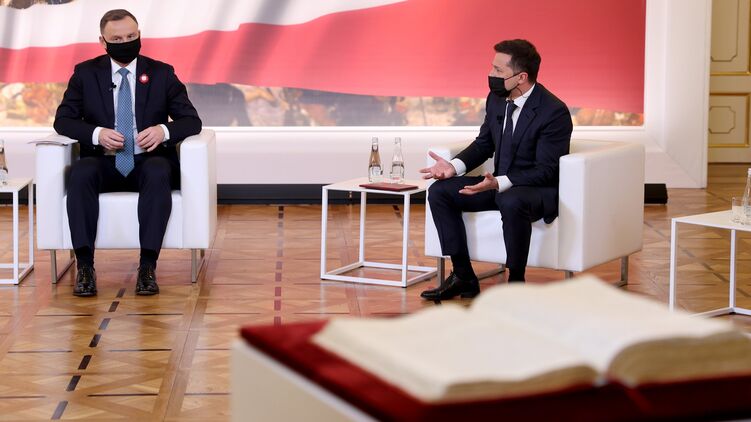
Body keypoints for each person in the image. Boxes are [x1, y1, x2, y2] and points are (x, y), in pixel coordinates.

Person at [54, 9, 202, 297]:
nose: (126, 43)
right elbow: (63, 120)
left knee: (158, 170)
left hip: (148, 161)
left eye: (131, 36)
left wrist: (163, 130)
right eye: (117, 39)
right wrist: (97, 133)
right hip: (104, 161)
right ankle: (85, 267)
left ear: (140, 35)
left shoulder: (162, 73)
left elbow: (191, 121)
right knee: (81, 173)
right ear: (103, 41)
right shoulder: (85, 73)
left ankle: (147, 267)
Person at [419, 39, 572, 301]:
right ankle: (463, 276)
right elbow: (484, 144)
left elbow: (547, 170)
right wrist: (453, 167)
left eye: (499, 70)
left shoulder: (553, 111)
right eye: (492, 67)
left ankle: (515, 284)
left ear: (521, 77)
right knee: (440, 191)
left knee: (511, 200)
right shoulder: (497, 99)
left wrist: (500, 182)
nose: (491, 74)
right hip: (497, 184)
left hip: (535, 190)